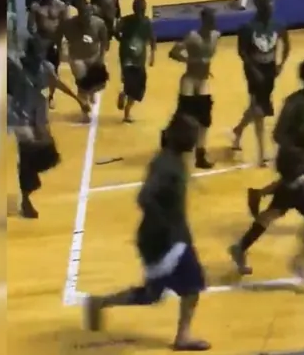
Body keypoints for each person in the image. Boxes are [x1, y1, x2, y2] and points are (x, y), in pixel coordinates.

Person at [83, 113, 211, 352]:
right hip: (165, 241)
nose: (196, 139)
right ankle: (182, 336)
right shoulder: (166, 165)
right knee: (193, 286)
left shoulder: (172, 160)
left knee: (151, 295)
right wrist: (167, 224)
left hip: (164, 239)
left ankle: (100, 302)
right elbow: (144, 197)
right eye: (193, 136)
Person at [229, 57, 304, 284]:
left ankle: (240, 247)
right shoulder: (295, 103)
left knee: (277, 210)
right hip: (293, 162)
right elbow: (278, 135)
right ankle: (300, 262)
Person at [9, 39, 90, 219]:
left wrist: (79, 100)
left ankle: (28, 179)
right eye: (34, 54)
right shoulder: (16, 68)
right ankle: (26, 200)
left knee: (50, 155)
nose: (37, 57)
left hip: (39, 115)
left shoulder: (45, 68)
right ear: (28, 54)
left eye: (39, 54)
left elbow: (58, 84)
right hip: (21, 116)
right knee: (27, 153)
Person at [231, 0, 291, 166]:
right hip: (253, 70)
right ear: (260, 6)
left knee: (258, 107)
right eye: (267, 3)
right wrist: (253, 69)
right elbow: (242, 52)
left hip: (270, 69)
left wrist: (281, 64)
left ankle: (239, 129)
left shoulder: (278, 26)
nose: (271, 6)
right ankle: (262, 153)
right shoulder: (248, 28)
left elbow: (286, 45)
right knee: (259, 111)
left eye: (272, 3)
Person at [167, 8, 220, 169]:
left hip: (203, 79)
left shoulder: (216, 36)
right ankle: (173, 145)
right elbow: (173, 52)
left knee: (205, 119)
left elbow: (208, 57)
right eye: (210, 19)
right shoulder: (192, 36)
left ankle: (200, 153)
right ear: (204, 21)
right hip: (189, 79)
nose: (213, 22)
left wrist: (204, 65)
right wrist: (188, 60)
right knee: (185, 116)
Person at [57, 4, 110, 122]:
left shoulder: (99, 23)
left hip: (94, 56)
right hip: (77, 58)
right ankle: (85, 110)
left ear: (91, 14)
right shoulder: (68, 25)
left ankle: (91, 93)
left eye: (88, 16)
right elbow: (58, 35)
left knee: (97, 84)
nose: (85, 19)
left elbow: (104, 41)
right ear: (79, 15)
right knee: (82, 85)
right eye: (83, 16)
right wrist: (61, 50)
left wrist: (101, 56)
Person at [27, 0, 69, 108]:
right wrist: (36, 39)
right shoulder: (36, 7)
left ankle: (51, 96)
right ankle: (37, 94)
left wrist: (61, 42)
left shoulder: (61, 6)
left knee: (54, 71)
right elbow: (30, 25)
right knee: (36, 69)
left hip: (55, 42)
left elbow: (65, 24)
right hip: (41, 41)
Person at [115, 0, 156, 123]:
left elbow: (115, 31)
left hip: (126, 54)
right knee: (136, 83)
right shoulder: (146, 22)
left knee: (130, 80)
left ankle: (125, 93)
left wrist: (122, 40)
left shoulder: (125, 20)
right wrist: (152, 55)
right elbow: (152, 39)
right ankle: (127, 111)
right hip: (136, 57)